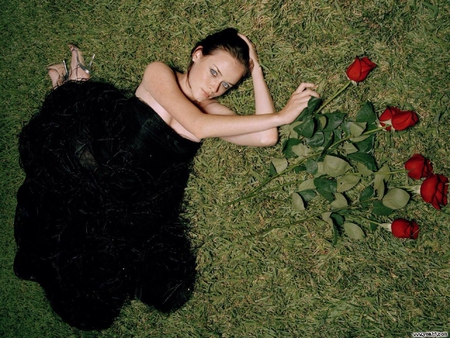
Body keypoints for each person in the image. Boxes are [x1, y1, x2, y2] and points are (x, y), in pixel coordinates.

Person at [13, 28, 318, 330]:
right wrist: (283, 115)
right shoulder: (160, 73)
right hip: (97, 160)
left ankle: (69, 85)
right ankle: (65, 87)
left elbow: (266, 137)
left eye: (226, 84)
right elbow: (196, 126)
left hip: (135, 197)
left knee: (119, 279)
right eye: (213, 72)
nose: (215, 88)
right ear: (197, 54)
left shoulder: (214, 111)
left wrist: (258, 71)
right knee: (59, 213)